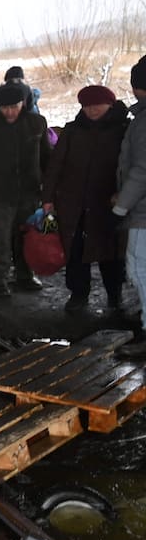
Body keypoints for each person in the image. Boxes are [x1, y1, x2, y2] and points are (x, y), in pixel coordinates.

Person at [43, 85, 130, 314]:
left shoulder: (124, 128)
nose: (91, 110)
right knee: (75, 251)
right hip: (74, 203)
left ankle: (115, 295)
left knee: (111, 252)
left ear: (110, 104)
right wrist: (48, 196)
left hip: (109, 202)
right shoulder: (73, 130)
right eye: (86, 106)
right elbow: (55, 165)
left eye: (96, 105)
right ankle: (78, 294)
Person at [0, 84, 53, 297]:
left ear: (23, 103)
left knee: (25, 237)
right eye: (4, 108)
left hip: (29, 192)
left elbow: (46, 158)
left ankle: (25, 275)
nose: (10, 112)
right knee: (0, 240)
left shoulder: (36, 124)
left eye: (14, 106)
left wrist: (48, 190)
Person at [114, 57, 146, 358]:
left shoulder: (144, 123)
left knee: (140, 270)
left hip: (143, 214)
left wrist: (121, 207)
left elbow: (141, 171)